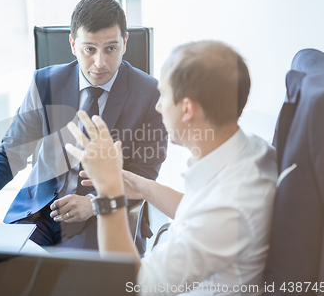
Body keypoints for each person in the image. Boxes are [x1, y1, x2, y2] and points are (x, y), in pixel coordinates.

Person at [0, 0, 167, 251]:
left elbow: (144, 175)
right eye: (89, 49)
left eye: (111, 48)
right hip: (38, 210)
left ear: (125, 42)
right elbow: (12, 150)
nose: (100, 63)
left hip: (101, 217)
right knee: (3, 272)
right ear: (73, 44)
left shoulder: (152, 96)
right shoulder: (45, 83)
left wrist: (95, 204)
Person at [65, 41, 278, 294]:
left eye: (163, 95)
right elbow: (198, 212)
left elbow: (129, 286)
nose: (157, 106)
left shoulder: (228, 206)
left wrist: (108, 192)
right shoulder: (251, 150)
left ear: (187, 108)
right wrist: (144, 188)